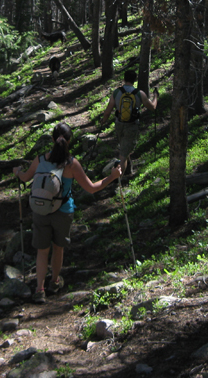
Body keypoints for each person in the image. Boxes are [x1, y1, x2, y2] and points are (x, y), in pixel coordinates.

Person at [13, 122, 123, 304]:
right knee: (58, 248)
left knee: (42, 251)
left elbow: (25, 178)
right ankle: (54, 282)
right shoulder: (71, 164)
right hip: (63, 212)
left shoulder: (40, 160)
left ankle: (39, 289)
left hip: (40, 210)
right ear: (69, 141)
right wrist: (112, 176)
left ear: (52, 139)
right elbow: (92, 188)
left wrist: (17, 171)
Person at [99, 69, 158, 176]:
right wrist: (156, 97)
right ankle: (119, 181)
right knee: (123, 153)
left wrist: (103, 120)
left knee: (124, 148)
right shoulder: (139, 94)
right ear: (134, 80)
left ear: (124, 79)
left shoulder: (117, 92)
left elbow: (108, 111)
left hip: (119, 124)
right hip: (132, 125)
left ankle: (128, 170)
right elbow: (153, 107)